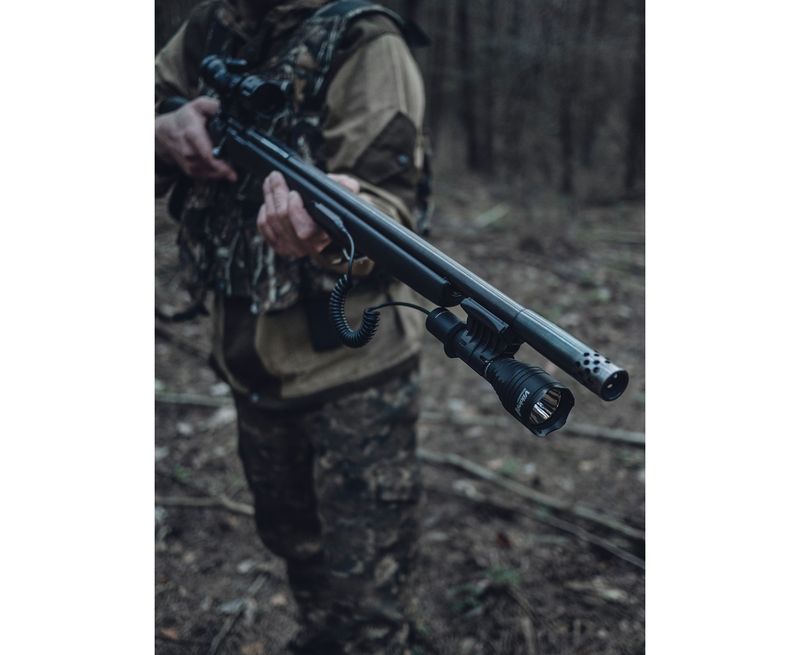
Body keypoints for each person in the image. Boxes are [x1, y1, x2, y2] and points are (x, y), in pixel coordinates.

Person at [155, 1, 430, 653]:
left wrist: (339, 225)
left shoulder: (365, 40)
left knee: (367, 593)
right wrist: (161, 132)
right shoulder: (212, 26)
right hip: (248, 361)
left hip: (354, 373)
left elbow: (394, 209)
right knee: (295, 545)